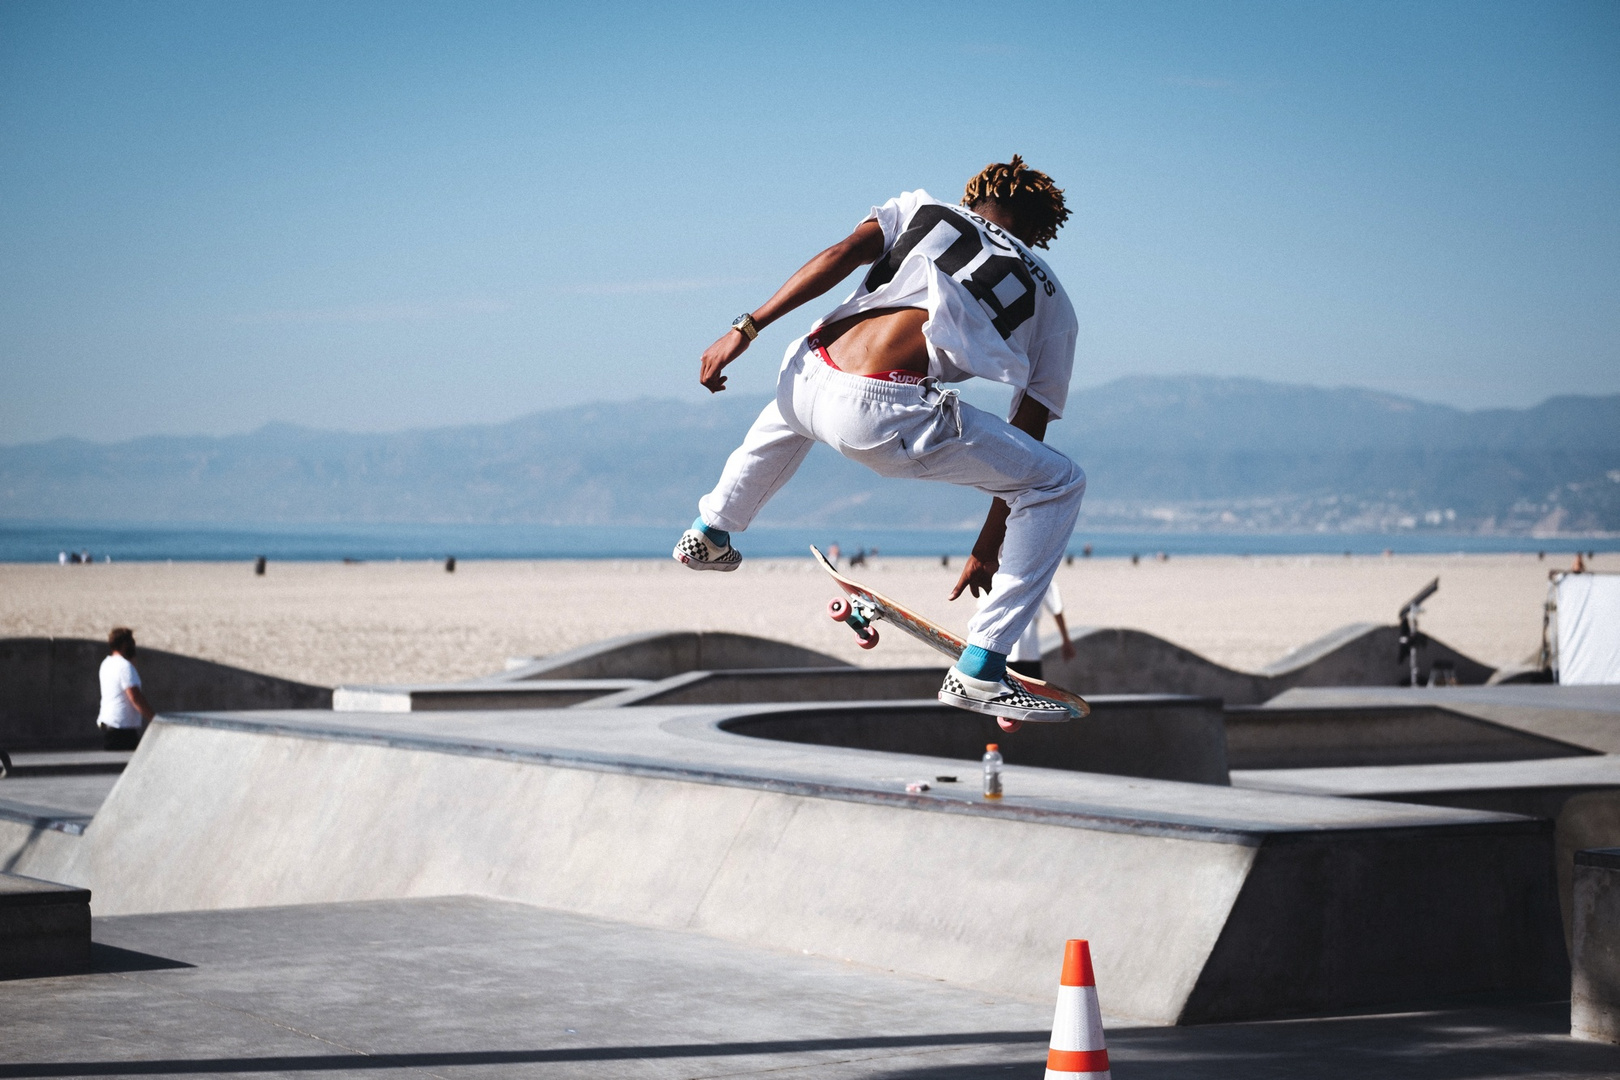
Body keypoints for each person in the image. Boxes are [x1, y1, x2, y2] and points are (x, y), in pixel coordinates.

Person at [672, 157, 1085, 723]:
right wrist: (988, 545)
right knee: (1059, 481)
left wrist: (745, 329)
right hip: (879, 412)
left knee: (793, 414)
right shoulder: (1053, 300)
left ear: (976, 195)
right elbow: (1027, 433)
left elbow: (838, 257)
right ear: (1040, 230)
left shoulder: (922, 208)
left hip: (804, 369)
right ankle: (982, 668)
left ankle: (710, 529)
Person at [988, 580, 1076, 681]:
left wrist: (1066, 640)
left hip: (1029, 653)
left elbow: (1056, 608)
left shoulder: (1043, 576)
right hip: (1005, 653)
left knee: (1031, 693)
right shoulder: (1001, 575)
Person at [97, 627, 155, 751]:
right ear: (125, 644)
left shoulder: (107, 663)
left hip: (109, 725)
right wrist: (154, 719)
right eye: (132, 643)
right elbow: (135, 697)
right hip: (122, 729)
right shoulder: (125, 667)